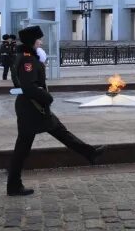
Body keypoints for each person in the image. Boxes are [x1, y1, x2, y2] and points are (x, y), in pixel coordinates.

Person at [7, 25, 105, 196]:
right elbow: (29, 86)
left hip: (32, 106)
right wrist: (47, 97)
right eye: (39, 39)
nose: (41, 41)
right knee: (23, 147)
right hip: (31, 107)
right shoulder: (28, 59)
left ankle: (90, 152)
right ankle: (14, 185)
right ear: (32, 40)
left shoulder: (26, 56)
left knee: (59, 131)